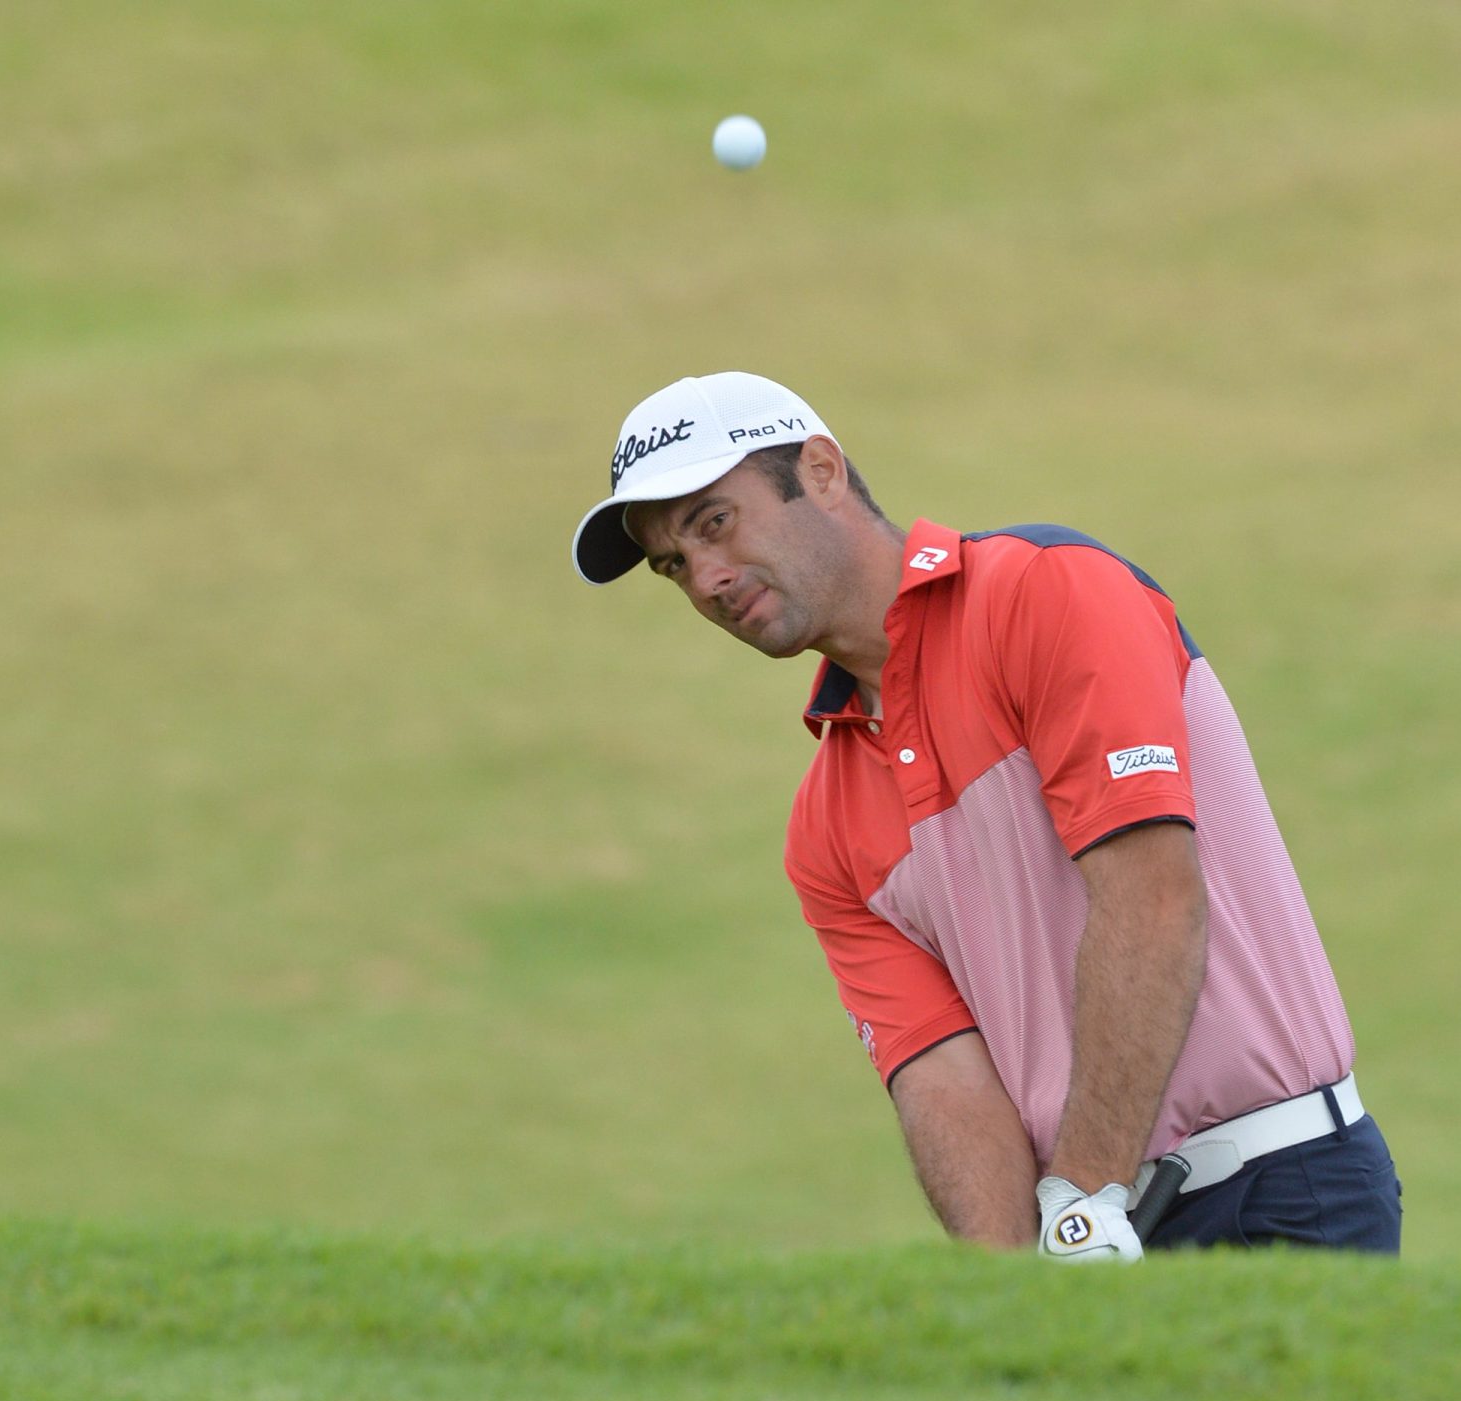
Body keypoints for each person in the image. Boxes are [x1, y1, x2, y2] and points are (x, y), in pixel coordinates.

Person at [574, 371, 1402, 1260]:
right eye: (674, 564)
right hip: (1083, 1238)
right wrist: (1011, 1291)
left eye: (714, 523)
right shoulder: (824, 827)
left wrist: (1085, 1194)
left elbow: (1154, 900)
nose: (706, 579)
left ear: (820, 470)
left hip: (1277, 1188)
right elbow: (943, 1077)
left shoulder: (1048, 592)